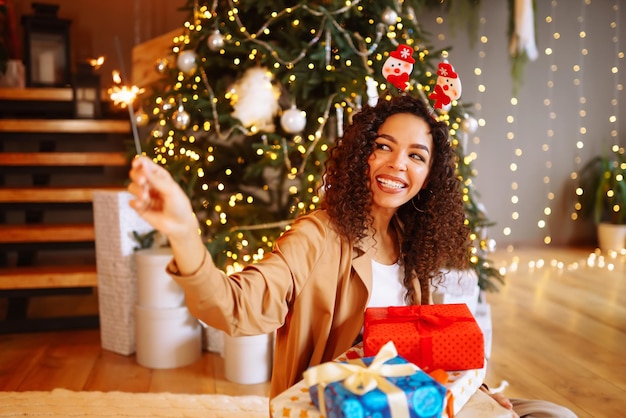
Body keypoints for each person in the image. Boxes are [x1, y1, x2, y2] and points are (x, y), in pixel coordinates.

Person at [128, 94, 576, 418]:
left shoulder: (416, 243)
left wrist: (474, 389)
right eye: (383, 146)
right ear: (362, 154)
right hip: (345, 406)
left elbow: (436, 348)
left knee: (553, 415)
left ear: (429, 176)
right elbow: (233, 307)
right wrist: (185, 232)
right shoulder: (318, 235)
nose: (398, 163)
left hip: (418, 399)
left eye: (416, 155)